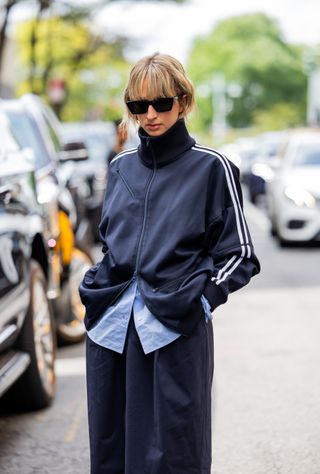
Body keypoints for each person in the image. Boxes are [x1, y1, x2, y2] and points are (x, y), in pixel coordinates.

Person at [79, 52, 260, 474]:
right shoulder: (120, 168)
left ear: (183, 100)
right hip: (111, 329)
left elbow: (240, 254)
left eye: (161, 103)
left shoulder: (211, 168)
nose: (151, 114)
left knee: (176, 453)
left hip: (174, 329)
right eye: (139, 106)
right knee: (112, 452)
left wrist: (203, 299)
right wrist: (94, 291)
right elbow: (111, 243)